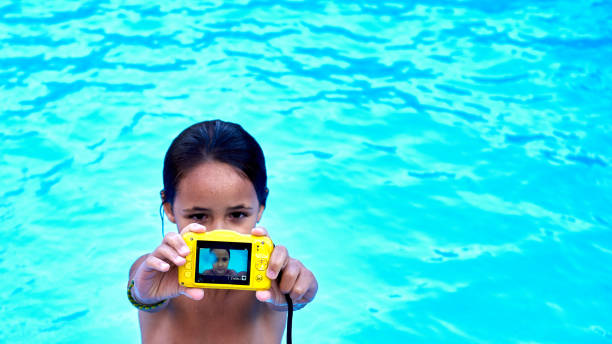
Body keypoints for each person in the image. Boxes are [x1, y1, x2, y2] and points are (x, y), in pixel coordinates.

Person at [127, 120, 318, 343]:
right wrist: (143, 294)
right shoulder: (157, 272)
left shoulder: (272, 279)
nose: (219, 234)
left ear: (261, 206)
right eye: (198, 216)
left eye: (237, 215)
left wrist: (299, 294)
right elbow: (139, 293)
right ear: (169, 208)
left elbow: (295, 295)